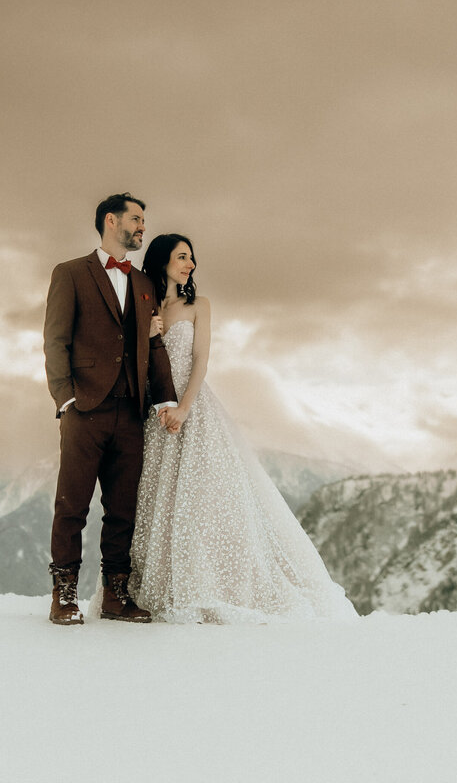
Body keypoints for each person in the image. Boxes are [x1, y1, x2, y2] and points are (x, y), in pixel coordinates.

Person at [121, 233, 358, 623]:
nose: (190, 264)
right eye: (182, 257)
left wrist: (184, 408)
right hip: (153, 416)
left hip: (191, 411)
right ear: (162, 260)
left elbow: (200, 360)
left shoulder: (199, 305)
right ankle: (155, 590)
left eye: (192, 258)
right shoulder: (144, 306)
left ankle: (208, 587)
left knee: (201, 502)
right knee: (156, 504)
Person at [42, 193, 181, 626]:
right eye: (136, 219)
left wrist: (167, 399)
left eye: (144, 220)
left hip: (132, 413)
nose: (142, 226)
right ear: (110, 221)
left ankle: (115, 596)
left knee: (122, 509)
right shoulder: (70, 273)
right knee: (73, 505)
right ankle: (63, 595)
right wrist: (65, 398)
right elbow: (55, 340)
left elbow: (153, 345)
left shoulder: (143, 285)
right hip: (85, 409)